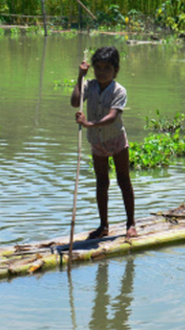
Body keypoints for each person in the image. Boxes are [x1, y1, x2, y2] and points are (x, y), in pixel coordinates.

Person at [70, 46, 137, 239]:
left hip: (115, 139)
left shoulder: (119, 90)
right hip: (97, 141)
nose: (101, 72)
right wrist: (80, 76)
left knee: (123, 180)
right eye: (97, 67)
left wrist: (89, 123)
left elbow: (112, 116)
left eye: (107, 68)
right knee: (102, 183)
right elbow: (75, 102)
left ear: (115, 70)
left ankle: (131, 223)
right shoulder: (89, 85)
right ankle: (103, 225)